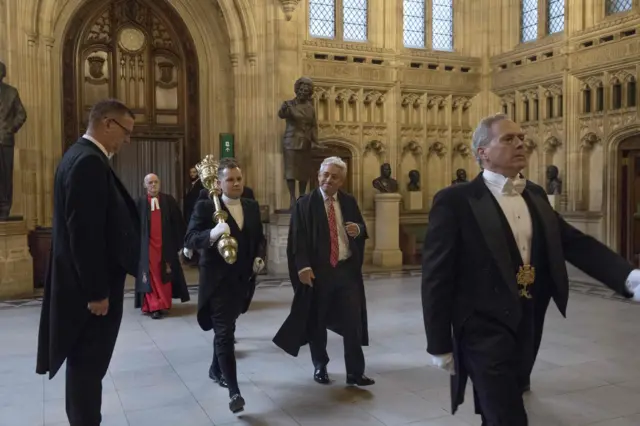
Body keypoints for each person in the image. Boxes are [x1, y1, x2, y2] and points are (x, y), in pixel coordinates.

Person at [421, 113, 640, 425]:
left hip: (528, 317)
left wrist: (628, 278)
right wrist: (438, 343)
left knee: (498, 403)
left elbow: (573, 242)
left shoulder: (535, 193)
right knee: (508, 414)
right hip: (481, 326)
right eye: (508, 139)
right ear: (483, 152)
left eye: (521, 137)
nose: (520, 143)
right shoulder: (456, 201)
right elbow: (435, 276)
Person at [36, 99, 140, 426]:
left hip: (81, 286)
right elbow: (84, 234)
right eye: (126, 132)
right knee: (86, 369)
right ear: (108, 123)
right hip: (90, 293)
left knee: (85, 369)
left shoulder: (79, 156)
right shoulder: (88, 162)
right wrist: (97, 292)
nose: (127, 140)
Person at [274, 156, 374, 387]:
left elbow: (362, 228)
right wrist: (303, 267)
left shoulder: (348, 202)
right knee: (317, 323)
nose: (328, 179)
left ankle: (355, 373)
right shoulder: (304, 204)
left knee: (353, 323)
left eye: (334, 176)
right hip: (319, 273)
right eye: (325, 175)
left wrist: (357, 229)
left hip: (346, 271)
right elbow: (297, 240)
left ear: (342, 181)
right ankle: (320, 366)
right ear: (318, 176)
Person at [184, 158, 265, 414]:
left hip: (242, 282)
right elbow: (190, 238)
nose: (236, 183)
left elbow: (259, 238)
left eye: (239, 178)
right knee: (224, 334)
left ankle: (214, 368)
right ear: (218, 183)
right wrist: (211, 235)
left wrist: (259, 257)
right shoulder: (207, 206)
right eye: (230, 179)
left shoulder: (251, 206)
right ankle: (234, 392)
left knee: (227, 328)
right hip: (217, 283)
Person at [134, 173, 190, 319]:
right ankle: (153, 306)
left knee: (164, 274)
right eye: (150, 183)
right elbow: (133, 226)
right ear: (145, 185)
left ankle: (163, 303)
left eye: (156, 182)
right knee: (151, 276)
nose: (153, 185)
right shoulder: (140, 202)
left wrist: (182, 244)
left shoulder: (168, 200)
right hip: (148, 247)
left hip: (166, 246)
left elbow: (178, 222)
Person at [0, 60, 27, 219]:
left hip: (5, 140)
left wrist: (10, 129)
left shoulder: (11, 92)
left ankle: (4, 208)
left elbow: (21, 114)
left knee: (5, 175)